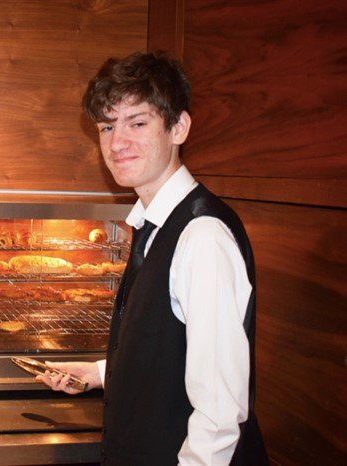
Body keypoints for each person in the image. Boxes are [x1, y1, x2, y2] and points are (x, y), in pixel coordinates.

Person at [37, 51, 268, 465]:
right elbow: (167, 350)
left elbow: (219, 413)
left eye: (137, 123)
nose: (117, 142)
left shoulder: (202, 236)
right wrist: (102, 373)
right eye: (107, 126)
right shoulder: (153, 223)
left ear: (178, 127)